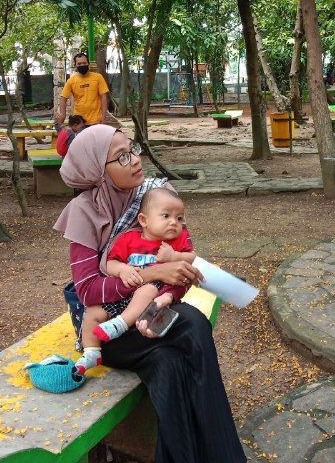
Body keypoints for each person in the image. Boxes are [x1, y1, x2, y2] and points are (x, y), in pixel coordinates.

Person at [54, 124, 246, 463]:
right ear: (98, 172)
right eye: (121, 156)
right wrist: (152, 273)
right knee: (192, 324)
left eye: (133, 149)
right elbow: (87, 291)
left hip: (152, 313)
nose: (134, 160)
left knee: (168, 365)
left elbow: (180, 266)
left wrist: (171, 284)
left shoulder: (154, 195)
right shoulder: (84, 212)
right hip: (106, 329)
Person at [74, 187, 196, 375]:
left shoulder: (176, 241)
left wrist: (174, 256)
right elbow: (110, 262)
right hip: (125, 294)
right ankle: (92, 351)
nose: (174, 222)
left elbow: (191, 257)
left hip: (154, 296)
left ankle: (121, 323)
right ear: (144, 220)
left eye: (179, 218)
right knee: (93, 312)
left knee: (146, 290)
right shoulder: (128, 239)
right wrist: (123, 270)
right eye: (166, 216)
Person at [55, 52, 110, 127]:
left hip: (96, 121)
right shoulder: (71, 80)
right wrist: (63, 115)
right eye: (79, 64)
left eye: (84, 63)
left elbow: (104, 97)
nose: (82, 65)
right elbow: (63, 98)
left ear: (88, 63)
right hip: (79, 123)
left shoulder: (98, 77)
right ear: (75, 65)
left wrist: (103, 118)